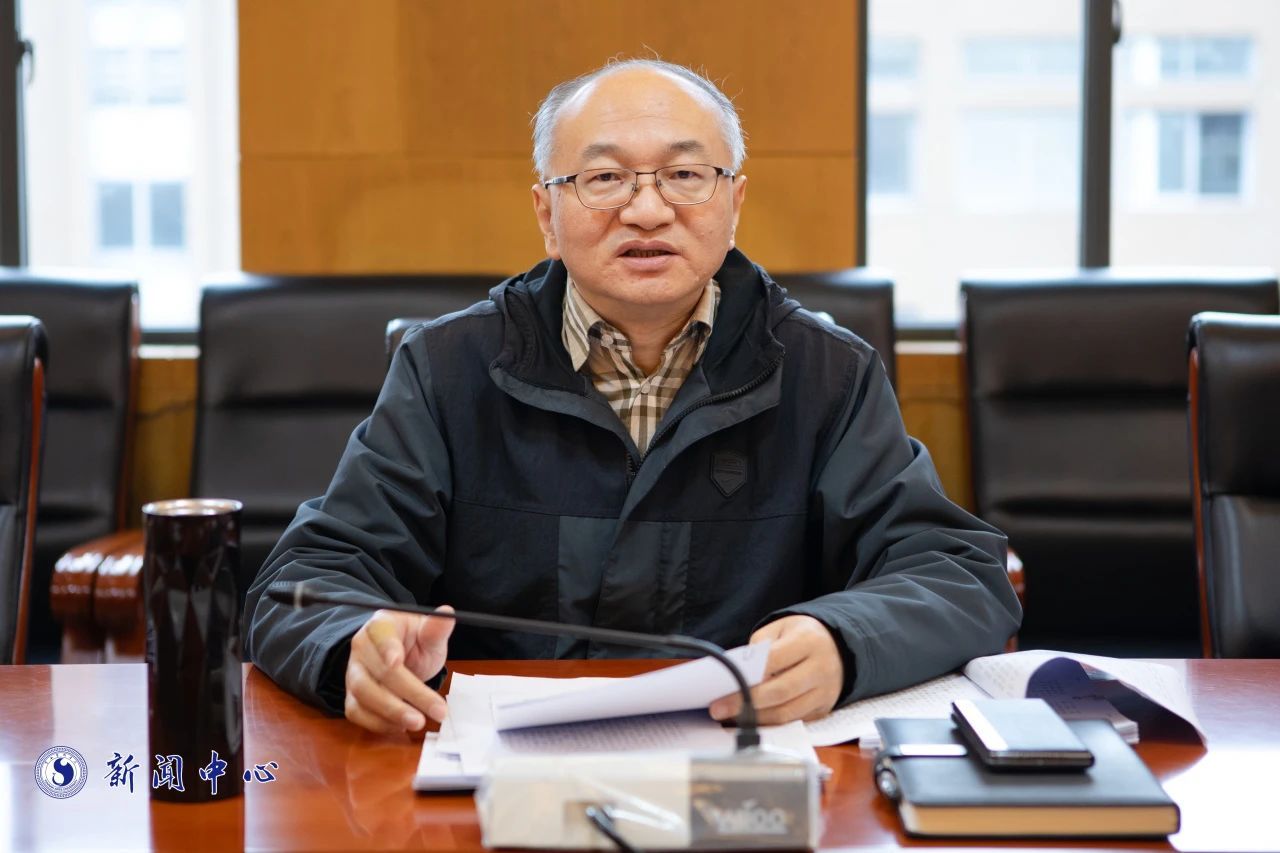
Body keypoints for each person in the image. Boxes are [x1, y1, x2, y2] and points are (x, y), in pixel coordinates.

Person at [244, 58, 1021, 735]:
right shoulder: (448, 368)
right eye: (604, 178)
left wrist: (843, 642)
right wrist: (354, 645)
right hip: (490, 773)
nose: (647, 211)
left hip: (743, 771)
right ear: (547, 214)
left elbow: (957, 572)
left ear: (733, 203)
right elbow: (304, 581)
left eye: (685, 175)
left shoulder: (827, 373)